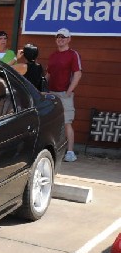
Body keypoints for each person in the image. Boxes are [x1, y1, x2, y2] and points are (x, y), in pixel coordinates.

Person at [46, 28, 82, 162]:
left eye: (63, 37)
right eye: (58, 37)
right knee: (51, 122)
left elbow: (78, 74)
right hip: (51, 94)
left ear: (69, 39)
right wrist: (43, 89)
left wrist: (68, 91)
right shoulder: (53, 55)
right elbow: (48, 74)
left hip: (64, 94)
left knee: (67, 122)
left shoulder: (73, 54)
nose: (60, 39)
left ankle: (70, 152)